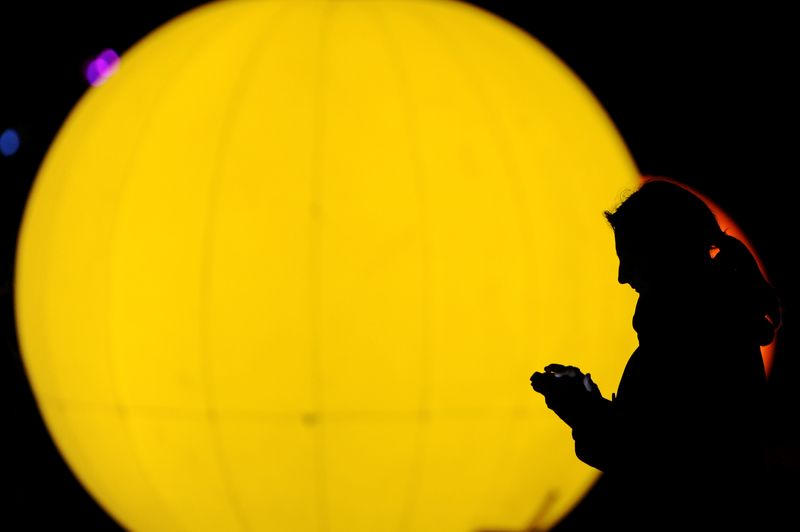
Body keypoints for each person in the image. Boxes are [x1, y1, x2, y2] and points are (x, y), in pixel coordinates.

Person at [530, 178, 781, 530]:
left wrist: (581, 409)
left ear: (664, 253)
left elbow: (655, 461)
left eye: (629, 258)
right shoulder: (718, 327)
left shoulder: (692, 339)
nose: (621, 276)